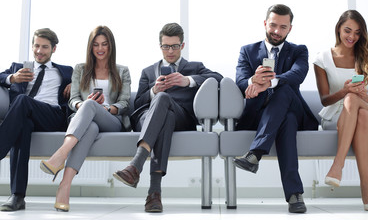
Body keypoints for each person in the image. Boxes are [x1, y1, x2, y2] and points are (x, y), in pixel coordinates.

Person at [112, 22, 223, 212]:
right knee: (165, 114)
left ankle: (135, 165)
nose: (170, 51)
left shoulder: (195, 67)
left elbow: (218, 78)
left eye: (174, 46)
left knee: (167, 105)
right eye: (166, 46)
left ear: (182, 46)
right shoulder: (148, 71)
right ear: (160, 46)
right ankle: (154, 194)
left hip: (182, 117)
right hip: (148, 118)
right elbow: (137, 104)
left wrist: (187, 81)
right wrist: (154, 90)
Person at [233, 4, 318, 213]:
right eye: (273, 25)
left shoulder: (299, 51)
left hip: (296, 109)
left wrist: (270, 83)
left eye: (282, 27)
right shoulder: (248, 50)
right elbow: (240, 81)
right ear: (265, 24)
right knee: (286, 120)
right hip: (261, 114)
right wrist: (254, 79)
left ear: (290, 29)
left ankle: (255, 152)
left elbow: (298, 74)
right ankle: (294, 195)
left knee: (285, 89)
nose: (277, 31)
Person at [39, 26, 131, 212]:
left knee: (91, 106)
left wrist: (106, 107)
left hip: (111, 120)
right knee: (90, 123)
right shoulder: (81, 69)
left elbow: (125, 103)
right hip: (87, 121)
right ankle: (64, 187)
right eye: (96, 44)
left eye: (105, 44)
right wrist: (83, 105)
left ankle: (61, 155)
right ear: (90, 47)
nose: (100, 48)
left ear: (111, 46)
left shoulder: (122, 71)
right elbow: (73, 100)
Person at [0, 28, 73, 211]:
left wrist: (76, 84)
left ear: (54, 49)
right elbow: (1, 77)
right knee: (23, 124)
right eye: (37, 46)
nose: (39, 51)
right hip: (25, 116)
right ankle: (17, 196)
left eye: (45, 47)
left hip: (52, 116)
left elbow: (87, 83)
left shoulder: (65, 71)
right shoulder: (18, 67)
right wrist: (12, 78)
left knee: (23, 100)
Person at [313, 10, 368, 211]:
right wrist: (344, 91)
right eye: (347, 30)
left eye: (357, 33)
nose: (352, 37)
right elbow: (324, 100)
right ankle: (366, 185)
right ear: (339, 29)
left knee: (362, 108)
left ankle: (337, 166)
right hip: (335, 114)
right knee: (360, 112)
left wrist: (363, 96)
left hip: (365, 105)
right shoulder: (322, 58)